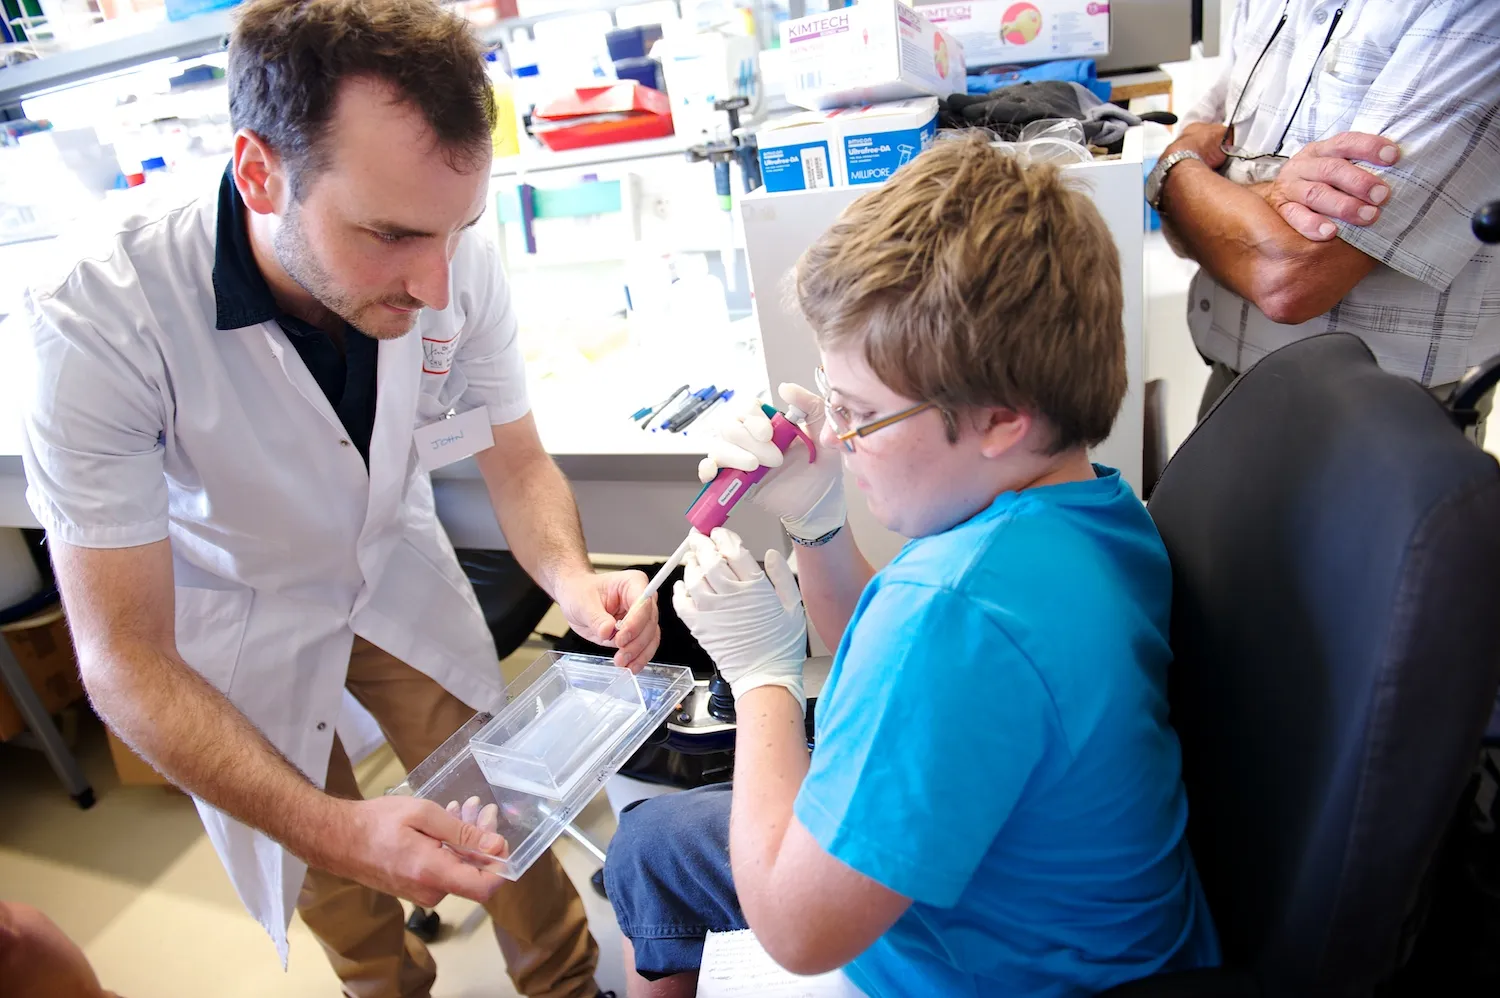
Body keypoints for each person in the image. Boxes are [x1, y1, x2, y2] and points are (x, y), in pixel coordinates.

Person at [15, 0, 659, 995]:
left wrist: (572, 578)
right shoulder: (102, 318)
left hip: (390, 564)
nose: (436, 282)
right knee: (332, 866)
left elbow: (518, 462)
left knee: (499, 804)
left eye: (456, 231)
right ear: (260, 171)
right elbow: (120, 656)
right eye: (391, 234)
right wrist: (340, 829)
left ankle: (566, 980)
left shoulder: (444, 254)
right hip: (237, 609)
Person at [597, 135, 1220, 997]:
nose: (840, 441)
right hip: (1101, 930)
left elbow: (798, 928)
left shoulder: (952, 607)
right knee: (655, 846)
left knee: (645, 842)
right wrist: (817, 523)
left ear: (1000, 417)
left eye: (859, 416)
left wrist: (760, 679)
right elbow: (877, 661)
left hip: (1006, 974)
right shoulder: (1089, 507)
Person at [1147, 0, 1500, 422]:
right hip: (1229, 380)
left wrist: (1181, 173)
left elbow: (1290, 276)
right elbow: (1187, 163)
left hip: (1381, 423)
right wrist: (1255, 187)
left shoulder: (1475, 13)